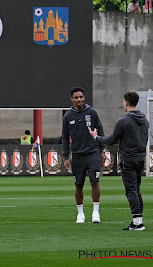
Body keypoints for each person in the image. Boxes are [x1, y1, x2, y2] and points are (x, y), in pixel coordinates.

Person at [88, 91, 149, 231]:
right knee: (137, 190)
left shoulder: (123, 121)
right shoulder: (145, 120)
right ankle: (138, 221)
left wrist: (95, 137)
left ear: (126, 102)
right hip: (140, 159)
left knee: (131, 190)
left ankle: (137, 223)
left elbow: (111, 140)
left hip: (128, 159)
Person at [62, 87, 106, 224]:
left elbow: (100, 131)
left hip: (93, 153)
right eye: (76, 97)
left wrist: (102, 150)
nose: (79, 99)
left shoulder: (92, 112)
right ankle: (80, 214)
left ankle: (95, 212)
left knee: (94, 181)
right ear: (72, 99)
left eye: (81, 97)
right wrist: (65, 157)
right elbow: (65, 137)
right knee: (78, 184)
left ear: (84, 98)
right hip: (77, 155)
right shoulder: (68, 116)